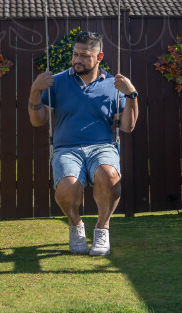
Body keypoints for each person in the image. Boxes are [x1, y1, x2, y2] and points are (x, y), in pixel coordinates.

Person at [28, 31, 139, 256]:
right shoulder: (57, 81)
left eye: (84, 56)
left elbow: (127, 127)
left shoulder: (112, 84)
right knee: (67, 187)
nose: (77, 59)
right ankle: (76, 225)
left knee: (109, 175)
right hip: (66, 149)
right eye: (75, 54)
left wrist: (131, 95)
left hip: (102, 147)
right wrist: (34, 91)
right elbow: (38, 121)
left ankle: (102, 228)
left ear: (99, 57)